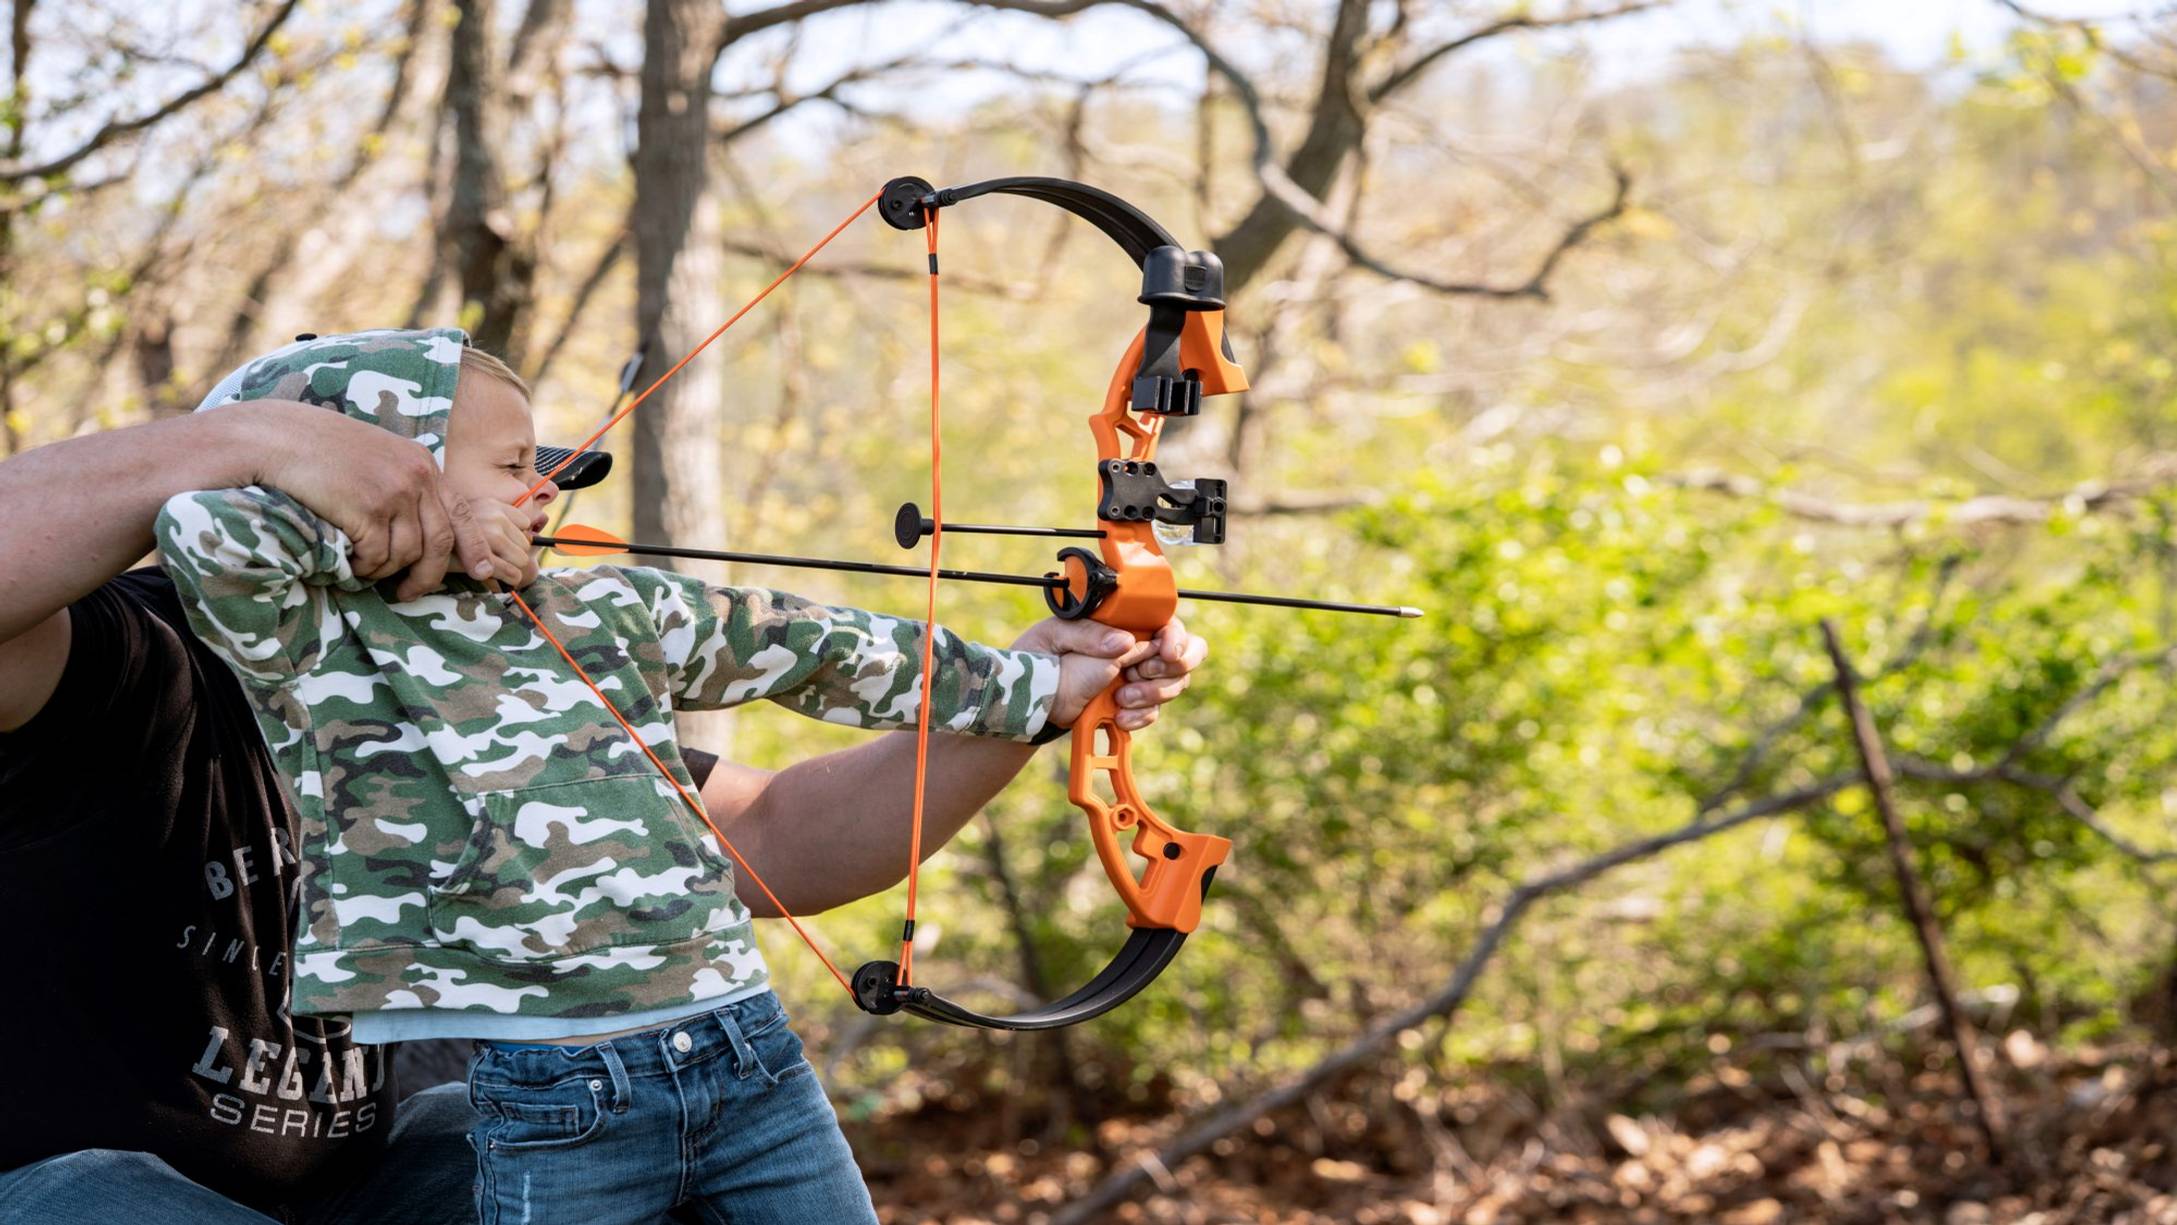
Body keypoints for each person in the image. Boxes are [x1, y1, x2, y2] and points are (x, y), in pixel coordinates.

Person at [0, 335, 1205, 1223]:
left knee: (571, 1149)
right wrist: (240, 445)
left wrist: (1025, 698)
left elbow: (776, 833)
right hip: (87, 1192)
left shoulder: (498, 662)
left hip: (365, 1187)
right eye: (507, 468)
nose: (540, 503)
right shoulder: (129, 655)